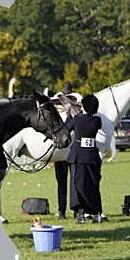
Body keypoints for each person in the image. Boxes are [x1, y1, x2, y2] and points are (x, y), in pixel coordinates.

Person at [65, 94, 104, 224]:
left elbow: (67, 128)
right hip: (92, 157)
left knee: (77, 186)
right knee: (93, 184)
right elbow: (89, 120)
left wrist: (69, 116)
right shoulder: (97, 120)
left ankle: (81, 214)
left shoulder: (76, 119)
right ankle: (97, 213)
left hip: (78, 157)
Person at [54, 82, 75, 218]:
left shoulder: (73, 109)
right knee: (67, 181)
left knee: (65, 181)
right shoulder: (58, 108)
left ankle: (64, 210)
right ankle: (66, 210)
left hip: (66, 149)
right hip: (66, 149)